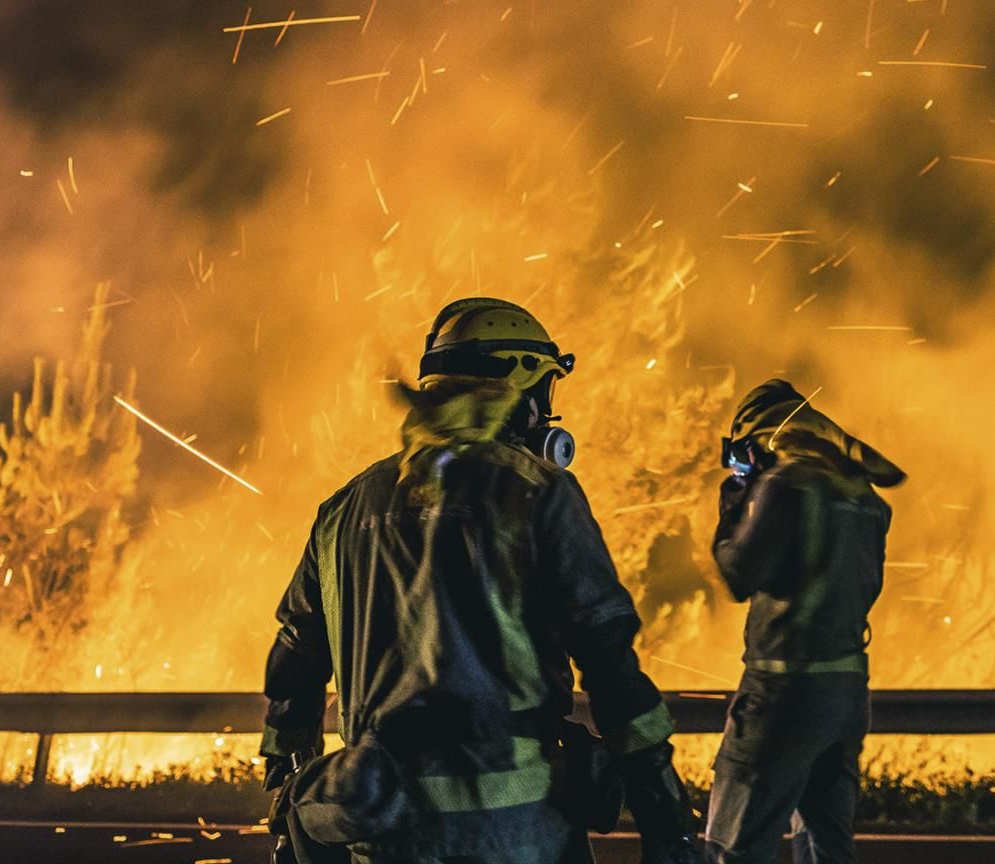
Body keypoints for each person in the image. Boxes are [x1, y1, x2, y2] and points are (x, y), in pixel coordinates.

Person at [260, 297, 706, 864]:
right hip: (518, 835)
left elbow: (294, 662)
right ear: (521, 393)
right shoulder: (538, 492)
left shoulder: (345, 510)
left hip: (382, 833)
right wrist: (668, 825)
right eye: (545, 396)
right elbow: (613, 671)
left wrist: (289, 785)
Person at [706, 379, 906, 864]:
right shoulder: (863, 496)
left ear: (758, 441)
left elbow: (737, 574)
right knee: (824, 851)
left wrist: (734, 505)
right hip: (846, 694)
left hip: (781, 696)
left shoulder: (785, 485)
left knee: (732, 846)